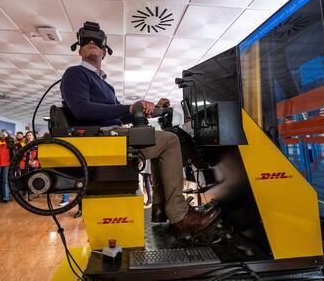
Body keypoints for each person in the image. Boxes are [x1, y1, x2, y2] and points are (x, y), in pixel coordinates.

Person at [60, 22, 221, 237]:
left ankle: (160, 208)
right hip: (101, 139)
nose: (91, 43)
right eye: (86, 41)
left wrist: (154, 109)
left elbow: (120, 114)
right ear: (79, 48)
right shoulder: (75, 73)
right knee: (171, 140)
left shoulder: (106, 85)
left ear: (104, 51)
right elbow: (82, 109)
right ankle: (179, 216)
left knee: (163, 141)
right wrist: (129, 107)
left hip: (112, 136)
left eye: (97, 41)